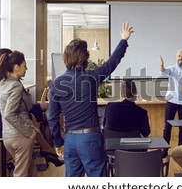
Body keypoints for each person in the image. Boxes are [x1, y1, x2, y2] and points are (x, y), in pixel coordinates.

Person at [48, 23, 133, 177]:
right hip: (90, 140)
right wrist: (123, 40)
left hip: (70, 140)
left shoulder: (57, 83)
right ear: (85, 59)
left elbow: (52, 117)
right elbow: (112, 62)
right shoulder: (92, 77)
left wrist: (58, 142)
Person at [0, 48, 63, 167]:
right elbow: (21, 109)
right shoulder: (10, 83)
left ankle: (46, 148)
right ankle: (48, 147)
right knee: (31, 117)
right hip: (5, 127)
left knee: (31, 117)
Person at [0, 50, 38, 177]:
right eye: (25, 65)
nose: (26, 68)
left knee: (31, 172)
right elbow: (9, 114)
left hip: (7, 136)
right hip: (20, 137)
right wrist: (29, 132)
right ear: (16, 67)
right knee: (21, 175)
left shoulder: (2, 83)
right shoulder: (16, 86)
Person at [160, 50, 182, 157]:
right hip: (171, 101)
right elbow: (163, 71)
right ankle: (164, 151)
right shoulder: (171, 69)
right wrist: (161, 66)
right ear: (176, 57)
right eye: (179, 56)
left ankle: (181, 150)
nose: (181, 58)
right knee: (167, 127)